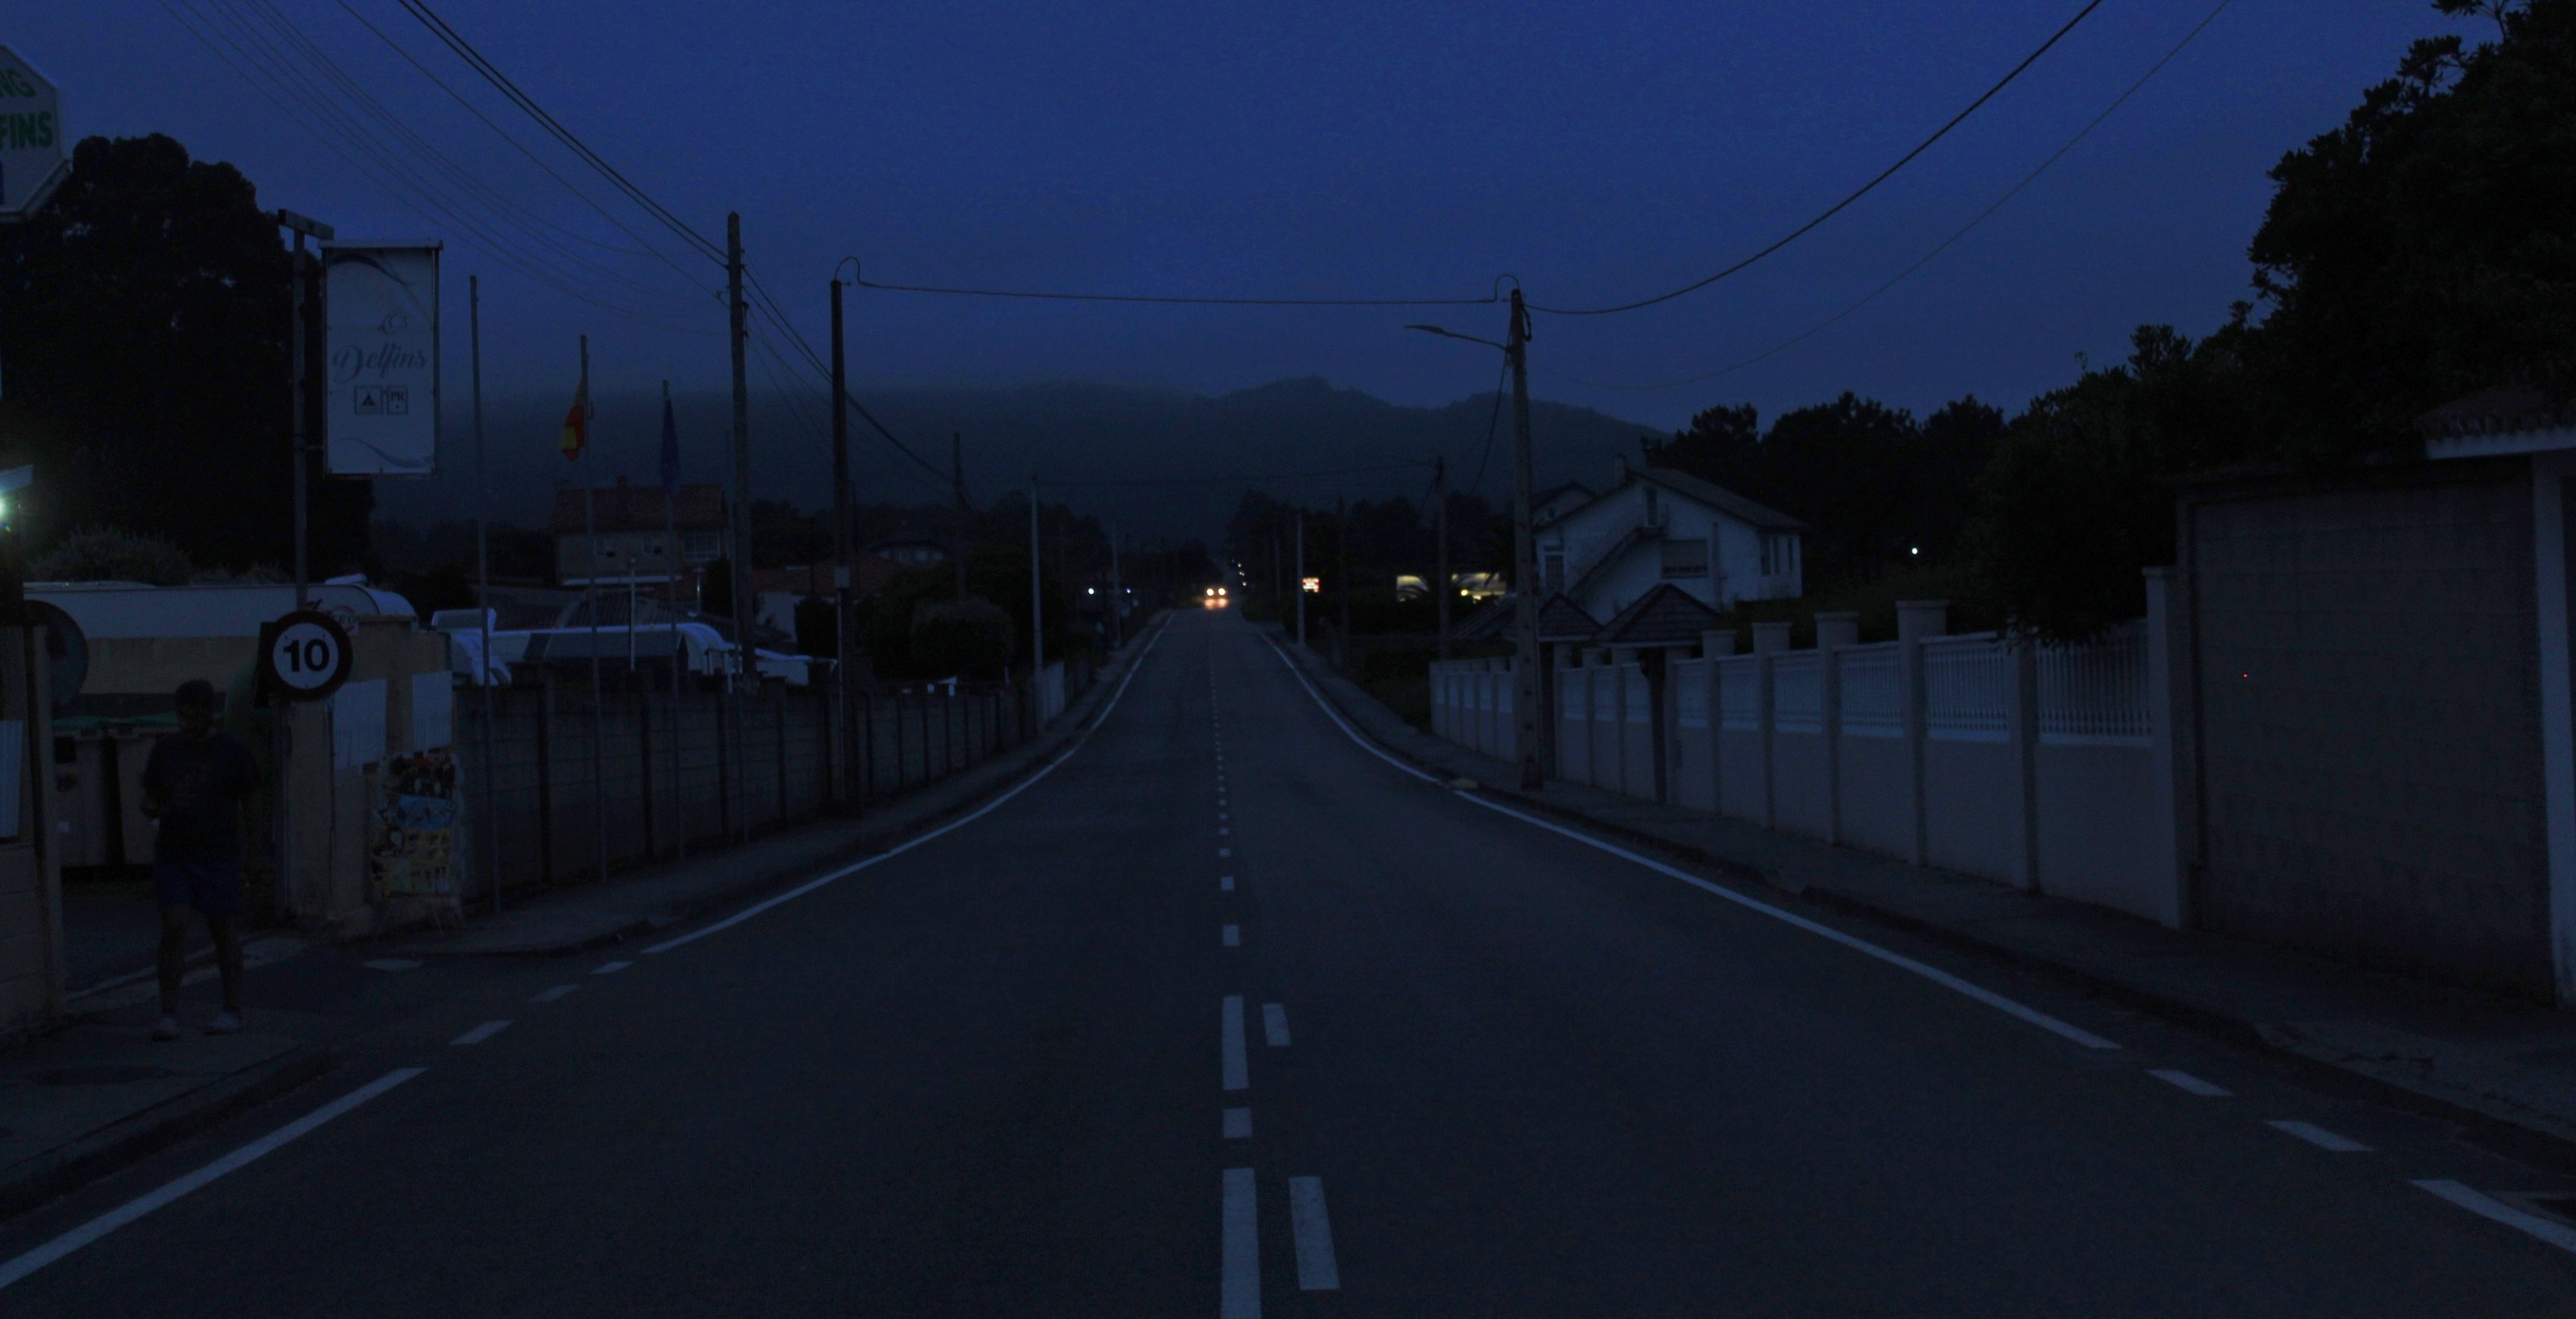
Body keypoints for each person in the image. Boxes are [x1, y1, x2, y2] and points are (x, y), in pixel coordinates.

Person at [138, 678, 259, 1039]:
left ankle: (232, 1009)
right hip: (174, 853)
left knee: (223, 931)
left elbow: (251, 803)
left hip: (218, 854)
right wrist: (152, 807)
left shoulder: (232, 752)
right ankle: (169, 1011)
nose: (186, 723)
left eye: (193, 715)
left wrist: (253, 853)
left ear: (209, 713)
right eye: (182, 715)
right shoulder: (165, 751)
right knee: (174, 925)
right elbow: (150, 796)